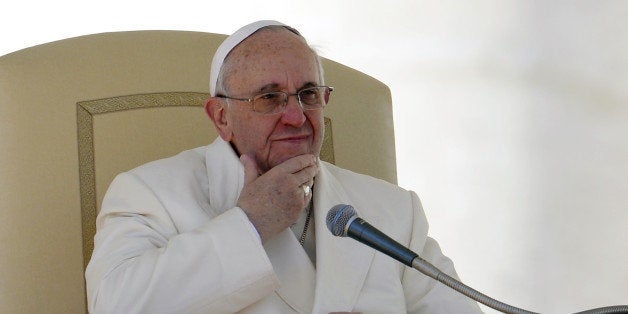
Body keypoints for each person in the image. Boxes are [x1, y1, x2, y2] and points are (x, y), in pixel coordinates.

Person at [85, 20, 482, 313]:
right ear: (221, 116)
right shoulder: (150, 193)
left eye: (308, 94)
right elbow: (115, 305)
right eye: (269, 98)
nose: (296, 116)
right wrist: (250, 224)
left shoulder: (394, 210)